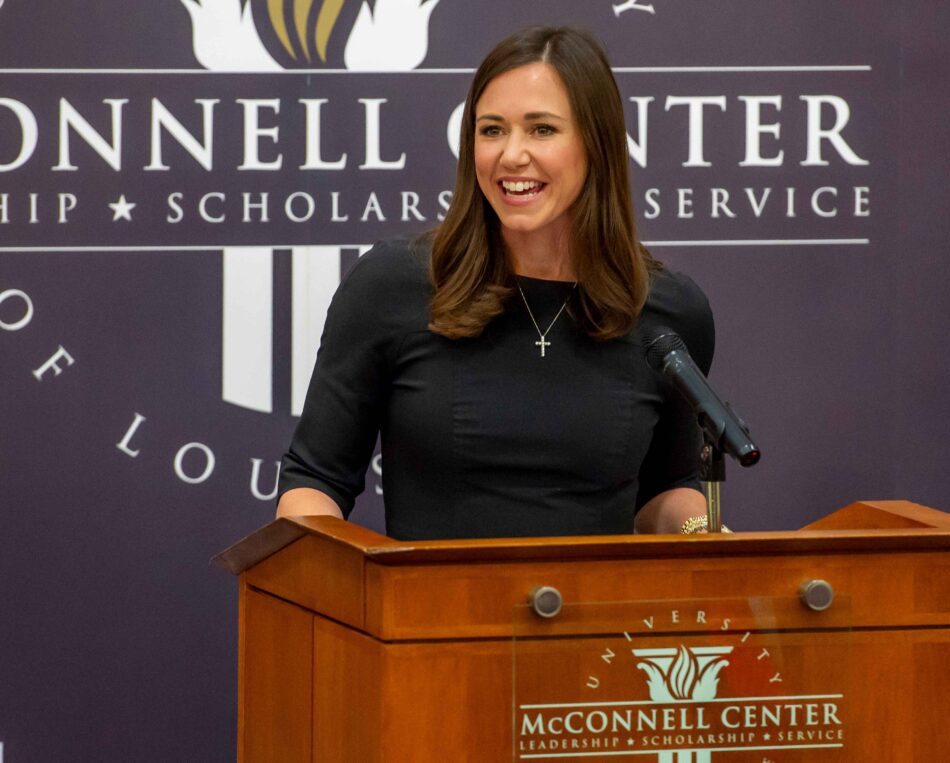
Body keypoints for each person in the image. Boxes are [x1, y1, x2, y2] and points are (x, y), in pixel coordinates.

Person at [276, 26, 715, 540]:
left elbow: (666, 487)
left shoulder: (667, 311)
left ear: (596, 143)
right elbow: (314, 481)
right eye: (491, 130)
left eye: (541, 130)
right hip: (430, 617)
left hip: (592, 619)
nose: (511, 155)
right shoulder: (393, 284)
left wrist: (699, 528)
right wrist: (328, 583)